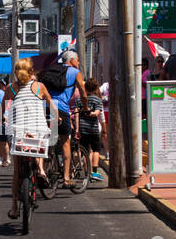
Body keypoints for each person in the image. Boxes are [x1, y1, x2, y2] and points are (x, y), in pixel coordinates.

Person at [7, 63, 54, 220]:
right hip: (37, 132)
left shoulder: (11, 88)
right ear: (31, 72)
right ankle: (40, 169)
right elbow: (51, 105)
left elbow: (3, 108)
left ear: (16, 73)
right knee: (39, 141)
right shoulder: (39, 86)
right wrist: (58, 117)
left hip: (18, 133)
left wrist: (3, 118)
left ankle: (14, 207)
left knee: (17, 171)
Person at [47, 50, 87, 187]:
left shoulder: (52, 70)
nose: (79, 62)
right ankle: (66, 177)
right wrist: (86, 107)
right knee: (65, 142)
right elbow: (83, 91)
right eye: (77, 60)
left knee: (46, 139)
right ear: (71, 61)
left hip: (46, 107)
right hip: (61, 108)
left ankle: (43, 170)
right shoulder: (75, 73)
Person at [81, 78, 105, 182]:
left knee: (86, 151)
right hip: (93, 128)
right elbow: (98, 114)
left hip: (82, 128)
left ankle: (87, 173)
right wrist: (104, 130)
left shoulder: (80, 100)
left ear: (85, 88)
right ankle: (94, 172)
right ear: (96, 88)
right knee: (96, 150)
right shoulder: (98, 100)